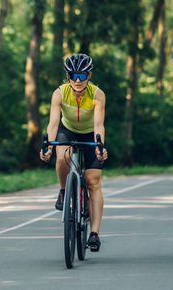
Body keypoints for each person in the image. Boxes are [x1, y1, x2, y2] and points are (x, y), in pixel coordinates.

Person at [40, 53, 108, 252]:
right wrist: (49, 147)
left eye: (82, 76)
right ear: (67, 76)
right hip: (67, 130)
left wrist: (99, 146)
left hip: (90, 133)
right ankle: (63, 191)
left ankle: (94, 233)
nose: (78, 81)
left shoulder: (97, 94)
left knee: (93, 183)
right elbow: (53, 123)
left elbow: (98, 124)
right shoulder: (59, 93)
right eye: (73, 75)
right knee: (62, 157)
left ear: (89, 75)